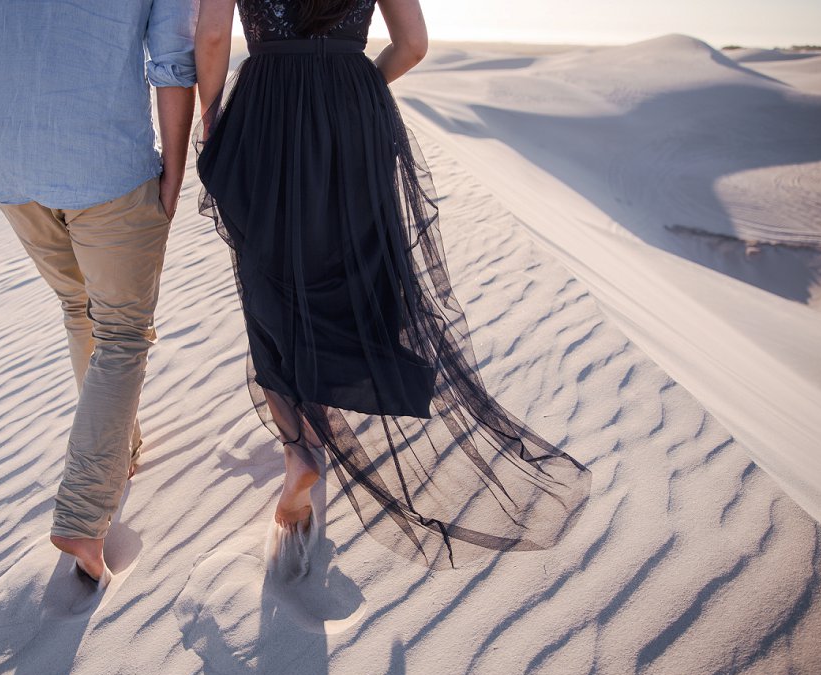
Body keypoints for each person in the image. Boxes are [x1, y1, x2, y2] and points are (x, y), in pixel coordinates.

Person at [194, 0, 591, 568]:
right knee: (345, 268)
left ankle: (299, 448)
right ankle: (322, 417)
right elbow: (413, 45)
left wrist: (213, 118)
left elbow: (212, 37)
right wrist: (355, 86)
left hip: (267, 108)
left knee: (269, 278)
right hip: (354, 109)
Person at [0, 0, 198, 586]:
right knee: (121, 333)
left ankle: (120, 450)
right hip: (109, 165)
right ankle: (83, 517)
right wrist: (174, 168)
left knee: (79, 307)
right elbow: (173, 58)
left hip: (11, 166)